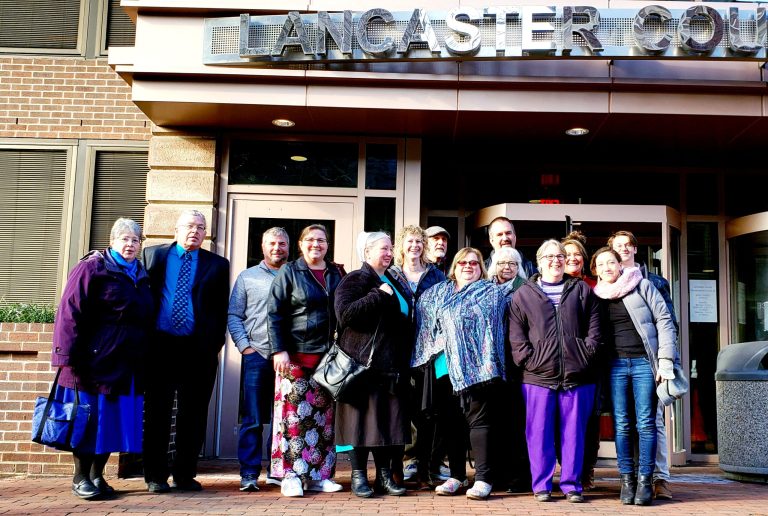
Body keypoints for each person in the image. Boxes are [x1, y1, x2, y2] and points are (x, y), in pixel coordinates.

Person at [51, 218, 154, 500]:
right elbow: (69, 311)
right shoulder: (92, 267)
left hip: (127, 363)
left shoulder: (141, 274)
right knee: (88, 420)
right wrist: (64, 355)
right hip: (93, 362)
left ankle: (97, 475)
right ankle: (80, 477)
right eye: (124, 239)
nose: (130, 244)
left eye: (135, 240)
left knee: (111, 422)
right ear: (112, 241)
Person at [142, 209, 230, 493]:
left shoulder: (218, 264)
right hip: (161, 347)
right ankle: (155, 476)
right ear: (177, 230)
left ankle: (184, 474)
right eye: (190, 226)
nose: (195, 231)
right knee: (158, 413)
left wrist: (214, 344)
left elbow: (221, 309)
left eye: (201, 227)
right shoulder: (153, 256)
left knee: (193, 414)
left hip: (198, 350)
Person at [508, 239, 602, 503]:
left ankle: (572, 485)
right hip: (537, 377)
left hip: (578, 376)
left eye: (560, 256)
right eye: (549, 257)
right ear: (539, 262)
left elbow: (595, 329)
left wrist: (585, 355)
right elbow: (516, 336)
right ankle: (541, 485)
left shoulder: (582, 290)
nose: (556, 261)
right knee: (538, 433)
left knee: (574, 435)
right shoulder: (523, 294)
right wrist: (530, 360)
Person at [413, 248, 506, 500]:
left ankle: (483, 479)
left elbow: (491, 329)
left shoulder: (490, 293)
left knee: (479, 422)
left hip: (479, 368)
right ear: (454, 267)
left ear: (481, 268)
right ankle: (457, 476)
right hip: (443, 368)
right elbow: (425, 325)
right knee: (451, 424)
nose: (468, 266)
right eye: (463, 262)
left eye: (474, 263)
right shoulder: (436, 293)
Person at [591, 247, 677, 506]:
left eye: (611, 262)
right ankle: (627, 480)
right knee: (622, 424)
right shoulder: (596, 296)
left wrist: (665, 361)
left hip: (643, 364)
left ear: (620, 265)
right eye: (601, 264)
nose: (607, 267)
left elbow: (664, 320)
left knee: (646, 423)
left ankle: (645, 481)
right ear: (595, 270)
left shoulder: (642, 286)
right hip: (615, 367)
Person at [268, 224, 344, 497]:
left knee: (324, 420)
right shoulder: (289, 271)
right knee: (294, 419)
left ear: (327, 245)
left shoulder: (336, 273)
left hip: (328, 359)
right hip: (296, 356)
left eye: (321, 240)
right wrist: (279, 349)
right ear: (301, 244)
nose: (316, 244)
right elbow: (274, 313)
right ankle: (291, 476)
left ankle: (322, 475)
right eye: (310, 239)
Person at [334, 232, 410, 498]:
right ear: (367, 252)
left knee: (385, 422)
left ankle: (384, 477)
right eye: (383, 248)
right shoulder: (355, 279)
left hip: (390, 366)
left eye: (391, 248)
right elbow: (345, 314)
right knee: (359, 423)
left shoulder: (393, 280)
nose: (389, 253)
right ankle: (358, 476)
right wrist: (377, 294)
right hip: (361, 365)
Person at [227, 227, 289, 492]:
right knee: (252, 417)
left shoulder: (295, 274)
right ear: (262, 247)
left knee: (283, 419)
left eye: (282, 243)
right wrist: (245, 347)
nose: (277, 248)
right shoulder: (247, 277)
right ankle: (249, 473)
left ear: (289, 247)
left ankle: (277, 470)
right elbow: (234, 315)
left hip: (288, 357)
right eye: (272, 243)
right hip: (257, 356)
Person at [388, 225, 446, 487]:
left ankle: (428, 464)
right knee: (401, 410)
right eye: (410, 241)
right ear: (401, 245)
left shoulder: (436, 275)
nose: (415, 246)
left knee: (427, 411)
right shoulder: (391, 274)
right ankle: (405, 462)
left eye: (419, 242)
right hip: (397, 352)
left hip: (428, 353)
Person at [486, 246, 530, 492]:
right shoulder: (486, 288)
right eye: (502, 263)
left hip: (516, 364)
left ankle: (519, 477)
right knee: (495, 421)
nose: (507, 267)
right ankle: (496, 474)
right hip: (492, 363)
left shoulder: (525, 289)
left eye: (512, 263)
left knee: (516, 422)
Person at [561, 230, 599, 490]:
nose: (572, 258)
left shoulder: (594, 286)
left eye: (577, 254)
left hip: (590, 364)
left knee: (588, 420)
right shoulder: (552, 285)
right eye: (567, 254)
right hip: (557, 366)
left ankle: (586, 471)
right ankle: (566, 469)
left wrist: (587, 352)